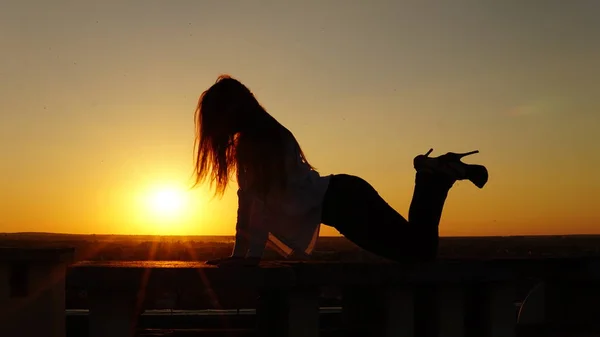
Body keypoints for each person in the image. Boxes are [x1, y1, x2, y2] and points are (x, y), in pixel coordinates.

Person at [193, 75, 488, 267]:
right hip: (343, 197)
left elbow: (257, 204)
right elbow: (250, 202)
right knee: (417, 250)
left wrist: (248, 258)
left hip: (344, 202)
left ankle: (432, 176)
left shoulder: (258, 142)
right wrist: (240, 255)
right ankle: (432, 173)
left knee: (419, 254)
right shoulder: (260, 137)